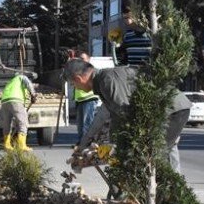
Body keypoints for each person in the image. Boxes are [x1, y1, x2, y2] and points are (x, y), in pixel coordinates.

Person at [63, 58, 191, 171]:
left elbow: (124, 115)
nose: (76, 88)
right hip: (168, 109)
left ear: (79, 79)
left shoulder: (107, 81)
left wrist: (118, 146)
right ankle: (168, 189)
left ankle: (166, 193)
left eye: (73, 85)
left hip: (171, 109)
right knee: (162, 152)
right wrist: (83, 145)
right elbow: (104, 117)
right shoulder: (104, 80)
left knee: (155, 155)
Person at [0, 73, 36, 151]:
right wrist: (33, 94)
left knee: (7, 123)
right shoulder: (22, 77)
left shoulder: (11, 82)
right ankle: (21, 145)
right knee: (23, 122)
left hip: (4, 102)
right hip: (15, 100)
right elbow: (28, 83)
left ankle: (7, 144)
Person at [73, 52, 100, 143]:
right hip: (80, 99)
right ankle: (81, 141)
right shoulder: (77, 70)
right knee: (80, 123)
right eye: (80, 59)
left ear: (88, 59)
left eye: (83, 59)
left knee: (87, 122)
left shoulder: (89, 70)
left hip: (89, 98)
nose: (81, 61)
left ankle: (87, 142)